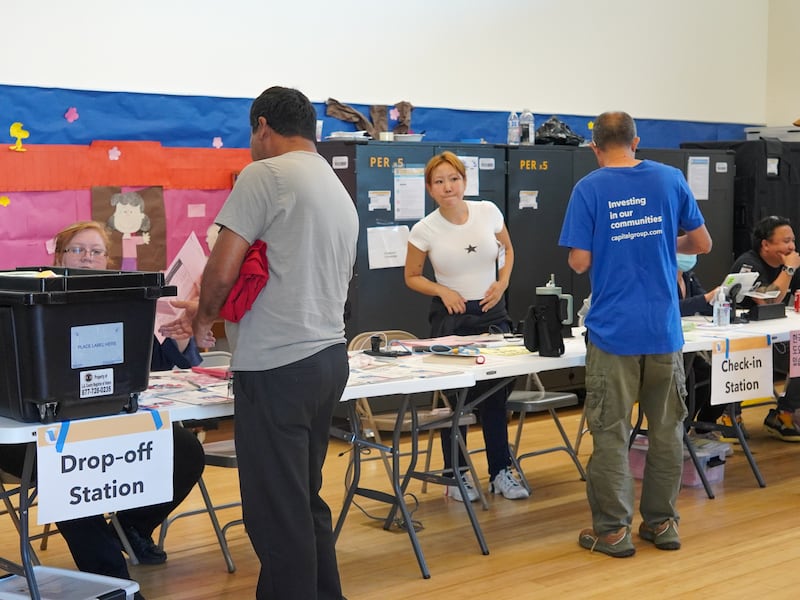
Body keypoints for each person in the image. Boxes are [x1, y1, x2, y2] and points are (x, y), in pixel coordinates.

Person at [165, 86, 358, 600]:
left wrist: (204, 321)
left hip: (277, 370)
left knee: (275, 515)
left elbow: (222, 270)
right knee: (303, 499)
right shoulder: (335, 186)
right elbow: (286, 285)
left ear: (263, 126)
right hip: (326, 359)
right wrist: (210, 313)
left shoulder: (264, 174)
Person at [0, 221, 205, 600]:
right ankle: (118, 585)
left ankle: (130, 528)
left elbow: (157, 362)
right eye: (78, 250)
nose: (87, 258)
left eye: (96, 252)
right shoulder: (27, 303)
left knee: (186, 451)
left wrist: (182, 340)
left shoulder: (122, 300)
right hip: (37, 430)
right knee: (67, 477)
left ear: (107, 261)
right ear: (58, 259)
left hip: (109, 420)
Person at [559, 111, 712, 557]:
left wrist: (612, 244)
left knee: (610, 431)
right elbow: (701, 244)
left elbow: (580, 262)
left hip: (613, 332)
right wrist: (663, 243)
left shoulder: (588, 188)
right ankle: (663, 524)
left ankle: (612, 532)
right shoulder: (669, 179)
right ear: (635, 140)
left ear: (594, 147)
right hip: (663, 330)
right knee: (667, 430)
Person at [404, 151, 528, 502]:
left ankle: (500, 470)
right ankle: (454, 474)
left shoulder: (488, 211)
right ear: (430, 189)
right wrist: (442, 289)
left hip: (493, 314)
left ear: (465, 181)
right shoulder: (424, 229)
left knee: (496, 395)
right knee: (457, 399)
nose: (448, 187)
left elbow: (508, 251)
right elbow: (411, 276)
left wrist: (502, 282)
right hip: (452, 319)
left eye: (454, 179)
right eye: (439, 182)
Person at [729, 215, 800, 441]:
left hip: (776, 337)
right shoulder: (748, 264)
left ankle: (784, 413)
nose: (791, 247)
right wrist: (788, 271)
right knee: (745, 353)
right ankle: (728, 415)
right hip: (739, 342)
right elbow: (768, 301)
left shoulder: (788, 264)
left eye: (793, 240)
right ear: (765, 244)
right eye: (785, 241)